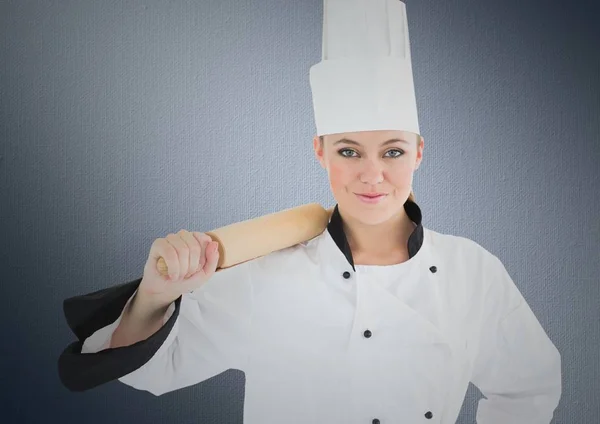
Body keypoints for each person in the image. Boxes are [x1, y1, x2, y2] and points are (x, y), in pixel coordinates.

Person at [57, 1, 562, 423]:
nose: (372, 175)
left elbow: (529, 387)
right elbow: (148, 369)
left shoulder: (471, 272)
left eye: (392, 151)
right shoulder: (267, 273)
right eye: (348, 151)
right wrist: (154, 294)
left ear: (420, 152)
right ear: (319, 151)